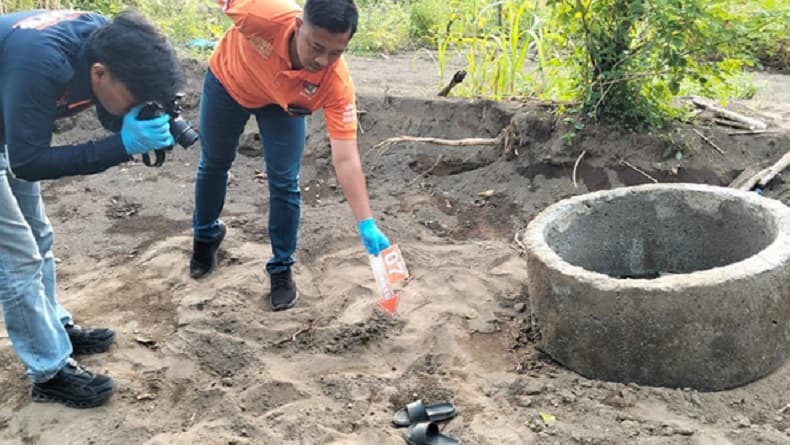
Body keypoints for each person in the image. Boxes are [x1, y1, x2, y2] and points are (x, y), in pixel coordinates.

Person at [0, 9, 182, 408]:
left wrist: (147, 113)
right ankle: (48, 372)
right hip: (16, 141)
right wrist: (122, 146)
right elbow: (28, 162)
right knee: (17, 257)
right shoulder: (43, 63)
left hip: (10, 129)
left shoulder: (109, 41)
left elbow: (107, 110)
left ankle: (53, 327)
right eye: (134, 98)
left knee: (38, 234)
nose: (137, 105)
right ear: (99, 73)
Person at [191, 0, 391, 310]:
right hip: (228, 83)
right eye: (316, 46)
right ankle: (205, 238)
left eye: (336, 52)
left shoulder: (336, 83)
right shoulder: (259, 12)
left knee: (285, 181)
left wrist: (366, 222)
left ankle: (281, 268)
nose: (323, 60)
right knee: (214, 163)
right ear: (298, 26)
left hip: (282, 106)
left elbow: (346, 157)